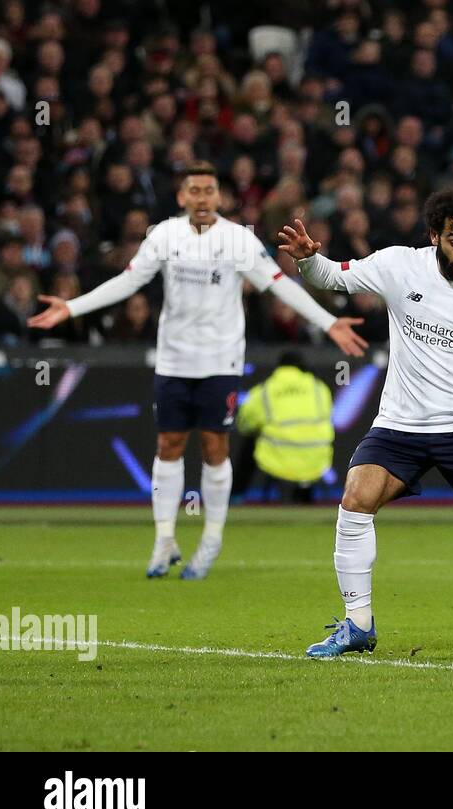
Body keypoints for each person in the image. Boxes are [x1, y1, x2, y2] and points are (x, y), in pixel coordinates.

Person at [28, 161, 366, 579]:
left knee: (213, 447)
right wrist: (72, 307)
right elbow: (128, 282)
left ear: (219, 197)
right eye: (195, 190)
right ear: (181, 197)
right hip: (174, 360)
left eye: (209, 190)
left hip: (220, 360)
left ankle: (210, 539)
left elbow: (279, 283)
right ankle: (164, 539)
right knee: (168, 445)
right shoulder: (164, 236)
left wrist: (328, 322)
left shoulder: (238, 240)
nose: (202, 198)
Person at [279, 187, 453, 658]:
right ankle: (358, 624)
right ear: (435, 234)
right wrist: (310, 260)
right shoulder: (399, 265)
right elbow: (333, 276)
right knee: (355, 498)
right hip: (400, 426)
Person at [233, 351, 334, 503]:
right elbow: (327, 417)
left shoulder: (265, 390)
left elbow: (244, 425)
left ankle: (236, 496)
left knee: (251, 442)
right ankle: (306, 494)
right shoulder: (319, 388)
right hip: (317, 459)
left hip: (278, 458)